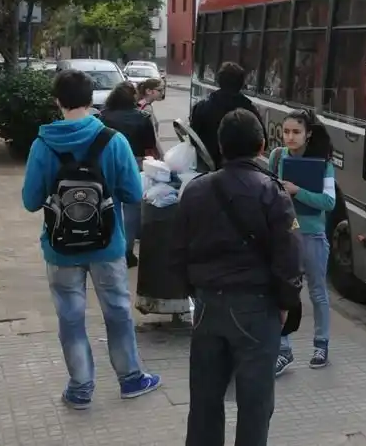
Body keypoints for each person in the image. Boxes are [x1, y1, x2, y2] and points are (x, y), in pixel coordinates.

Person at [21, 69, 161, 409]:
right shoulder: (113, 141)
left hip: (60, 247)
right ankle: (130, 378)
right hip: (107, 244)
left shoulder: (43, 145)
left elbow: (30, 201)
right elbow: (132, 193)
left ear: (57, 101)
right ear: (90, 99)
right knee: (117, 311)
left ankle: (80, 388)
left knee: (70, 317)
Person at [169, 108, 303, 446]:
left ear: (220, 146)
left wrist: (196, 292)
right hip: (257, 308)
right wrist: (286, 304)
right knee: (255, 403)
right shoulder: (272, 192)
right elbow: (288, 258)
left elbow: (178, 251)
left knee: (204, 400)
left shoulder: (195, 191)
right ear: (261, 146)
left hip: (208, 305)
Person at [267, 109, 336, 374]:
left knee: (317, 292)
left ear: (308, 134)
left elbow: (328, 202)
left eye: (296, 132)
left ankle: (321, 345)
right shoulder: (277, 157)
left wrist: (297, 191)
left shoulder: (323, 164)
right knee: (282, 291)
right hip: (284, 234)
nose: (290, 137)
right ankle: (283, 350)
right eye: (286, 132)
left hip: (312, 235)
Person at [98, 82, 159, 268]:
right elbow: (150, 146)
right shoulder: (142, 117)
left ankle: (108, 243)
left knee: (108, 204)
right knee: (132, 208)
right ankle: (127, 251)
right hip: (135, 163)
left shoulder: (103, 117)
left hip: (108, 163)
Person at [190, 62, 265, 170]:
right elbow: (263, 140)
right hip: (242, 171)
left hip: (206, 169)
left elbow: (193, 139)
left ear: (219, 81)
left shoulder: (202, 107)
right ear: (241, 83)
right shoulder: (250, 109)